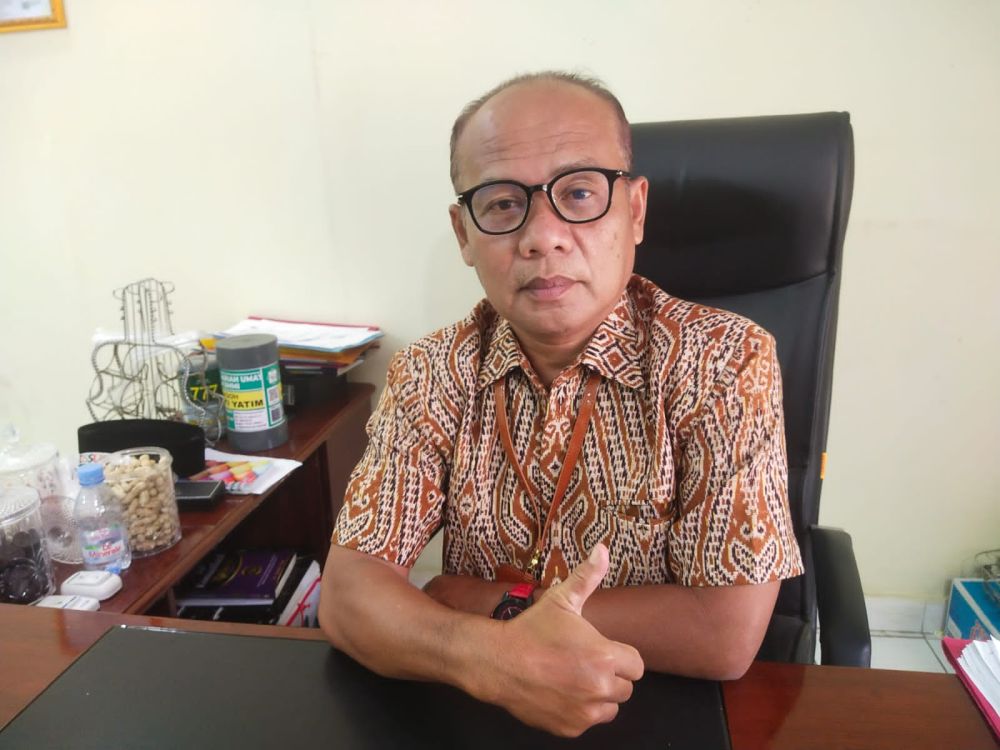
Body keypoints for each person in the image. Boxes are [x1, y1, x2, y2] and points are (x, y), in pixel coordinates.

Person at [319, 71, 803, 738]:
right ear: (464, 234)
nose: (542, 236)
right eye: (501, 204)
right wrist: (491, 658)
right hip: (479, 711)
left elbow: (723, 634)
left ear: (635, 210)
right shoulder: (430, 372)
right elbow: (348, 595)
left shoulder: (723, 361)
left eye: (578, 193)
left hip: (659, 714)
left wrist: (488, 603)